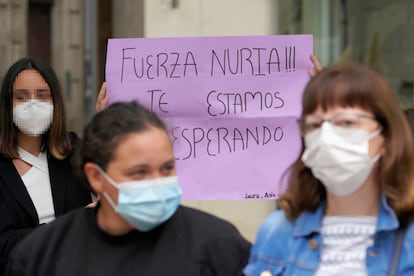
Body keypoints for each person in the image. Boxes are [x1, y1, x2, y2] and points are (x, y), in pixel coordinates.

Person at [5, 101, 251, 276]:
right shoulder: (42, 255)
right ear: (96, 177)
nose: (156, 181)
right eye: (139, 172)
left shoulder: (218, 246)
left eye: (166, 168)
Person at [243, 64, 414, 275]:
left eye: (346, 123)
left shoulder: (408, 239)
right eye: (315, 125)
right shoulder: (277, 232)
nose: (326, 138)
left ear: (386, 137)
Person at [0, 57, 108, 272]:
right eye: (22, 97)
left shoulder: (72, 150)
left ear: (55, 102)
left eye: (42, 96)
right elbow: (5, 244)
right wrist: (74, 226)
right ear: (7, 105)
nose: (33, 103)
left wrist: (107, 124)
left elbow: (112, 182)